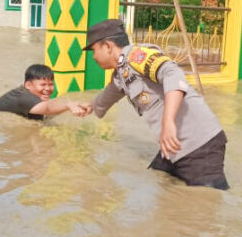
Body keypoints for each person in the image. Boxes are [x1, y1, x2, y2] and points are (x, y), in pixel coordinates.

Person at [82, 19, 229, 190]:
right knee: (160, 188)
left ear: (107, 46)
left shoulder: (138, 56)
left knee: (205, 203)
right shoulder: (120, 73)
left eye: (93, 50)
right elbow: (106, 98)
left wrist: (168, 123)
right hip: (172, 148)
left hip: (201, 145)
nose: (93, 57)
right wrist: (90, 106)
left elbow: (173, 74)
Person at [0, 64, 89, 120]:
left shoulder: (35, 96)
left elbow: (50, 109)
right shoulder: (23, 97)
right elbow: (47, 108)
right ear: (28, 85)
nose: (48, 89)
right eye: (43, 85)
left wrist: (78, 104)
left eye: (50, 84)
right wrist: (68, 105)